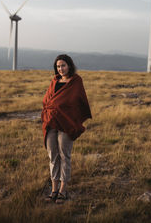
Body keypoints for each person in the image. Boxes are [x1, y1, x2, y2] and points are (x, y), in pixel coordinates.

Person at [41, 54, 92, 204]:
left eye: (63, 65)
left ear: (69, 65)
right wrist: (49, 111)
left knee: (65, 155)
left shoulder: (76, 81)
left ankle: (63, 189)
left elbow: (76, 102)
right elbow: (47, 100)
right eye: (58, 66)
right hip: (51, 122)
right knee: (53, 155)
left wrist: (60, 108)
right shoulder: (54, 81)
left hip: (67, 122)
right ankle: (54, 188)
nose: (61, 69)